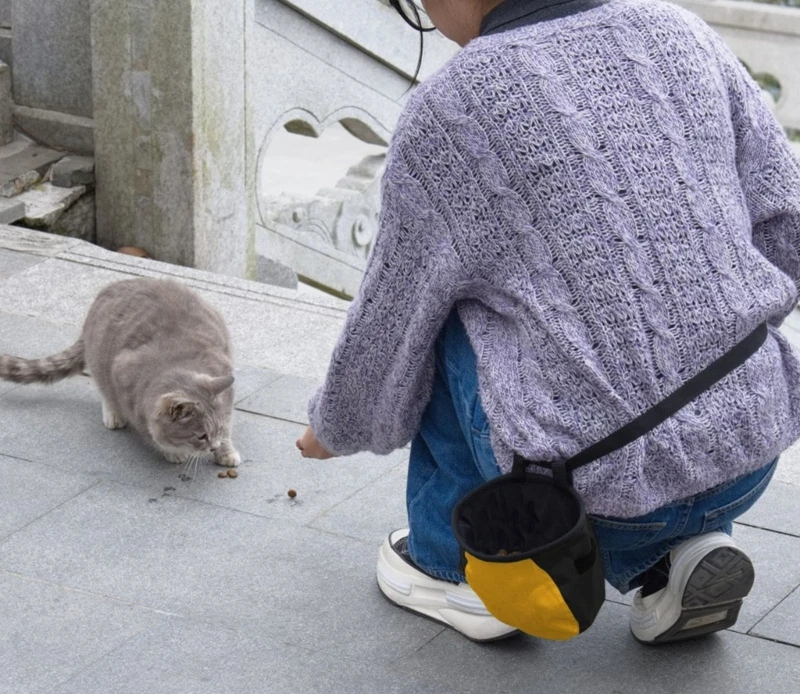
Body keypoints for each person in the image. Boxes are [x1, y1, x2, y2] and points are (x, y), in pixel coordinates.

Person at [296, 0, 800, 645]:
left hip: (580, 493)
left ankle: (453, 570)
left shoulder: (452, 107)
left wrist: (333, 427)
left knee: (450, 309)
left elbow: (392, 324)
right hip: (756, 440)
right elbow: (784, 224)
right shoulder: (677, 29)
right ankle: (674, 559)